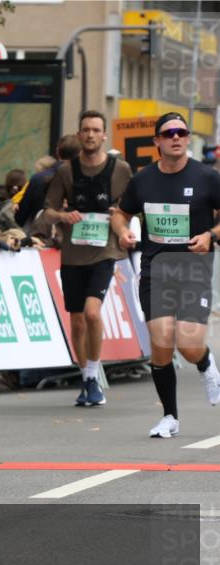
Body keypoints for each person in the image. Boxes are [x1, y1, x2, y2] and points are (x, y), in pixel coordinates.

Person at [111, 112, 220, 438]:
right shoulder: (142, 180)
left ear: (187, 138)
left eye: (181, 133)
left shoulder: (207, 177)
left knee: (188, 344)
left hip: (193, 268)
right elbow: (120, 214)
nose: (176, 137)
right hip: (156, 270)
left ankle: (206, 364)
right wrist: (122, 232)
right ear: (157, 140)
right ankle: (169, 417)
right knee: (160, 342)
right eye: (169, 133)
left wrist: (210, 235)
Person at [42, 110, 133, 407]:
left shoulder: (120, 169)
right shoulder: (66, 171)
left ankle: (93, 376)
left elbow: (133, 207)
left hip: (105, 251)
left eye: (96, 130)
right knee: (78, 321)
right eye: (86, 130)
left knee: (92, 313)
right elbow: (48, 211)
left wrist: (119, 214)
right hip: (73, 253)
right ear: (79, 134)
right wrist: (63, 216)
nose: (91, 135)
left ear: (104, 135)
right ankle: (86, 378)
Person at [16, 134, 81, 233]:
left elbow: (20, 218)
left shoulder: (37, 179)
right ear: (80, 154)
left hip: (41, 237)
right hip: (74, 235)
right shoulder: (82, 179)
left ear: (57, 151)